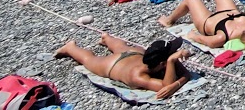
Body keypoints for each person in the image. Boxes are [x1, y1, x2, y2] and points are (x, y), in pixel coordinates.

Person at [54, 35, 190, 100]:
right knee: (88, 59)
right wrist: (172, 61)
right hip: (114, 65)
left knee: (121, 47)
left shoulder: (157, 62)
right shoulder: (138, 77)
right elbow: (166, 85)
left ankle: (106, 38)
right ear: (162, 64)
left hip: (135, 54)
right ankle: (70, 47)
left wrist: (180, 76)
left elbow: (172, 84)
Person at [158, 0, 245, 51]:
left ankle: (168, 20)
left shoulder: (222, 37)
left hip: (207, 20)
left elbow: (205, 41)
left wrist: (193, 36)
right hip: (228, 11)